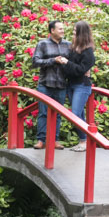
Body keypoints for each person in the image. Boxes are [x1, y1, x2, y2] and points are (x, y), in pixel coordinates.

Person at [55, 20, 95, 152]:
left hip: (82, 86)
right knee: (79, 115)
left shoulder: (88, 52)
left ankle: (85, 140)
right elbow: (73, 70)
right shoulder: (73, 49)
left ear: (81, 33)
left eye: (75, 31)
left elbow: (79, 70)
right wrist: (67, 64)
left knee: (76, 114)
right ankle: (83, 141)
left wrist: (68, 63)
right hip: (71, 84)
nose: (72, 33)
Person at [31, 19, 70, 149]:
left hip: (61, 84)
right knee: (43, 112)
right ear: (52, 30)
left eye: (63, 29)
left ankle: (55, 140)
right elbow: (35, 62)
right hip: (45, 84)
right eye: (60, 29)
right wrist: (53, 60)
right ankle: (41, 140)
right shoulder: (42, 44)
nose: (63, 31)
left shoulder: (68, 45)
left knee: (57, 114)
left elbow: (74, 62)